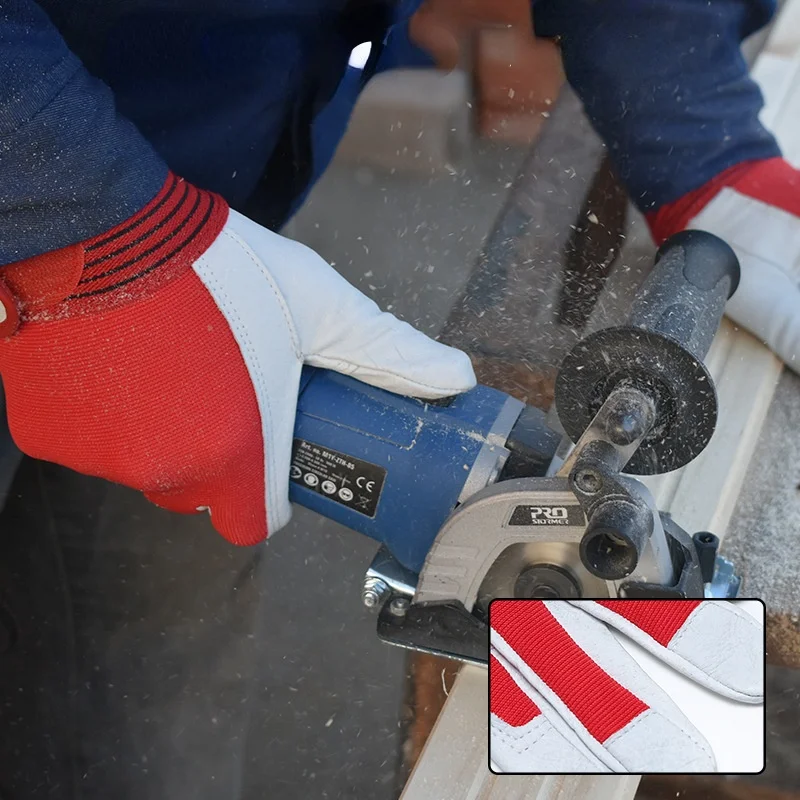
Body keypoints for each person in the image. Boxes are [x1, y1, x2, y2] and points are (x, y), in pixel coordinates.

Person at [0, 0, 797, 797]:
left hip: (190, 200)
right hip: (58, 169)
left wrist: (696, 130)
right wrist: (79, 219)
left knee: (151, 634)